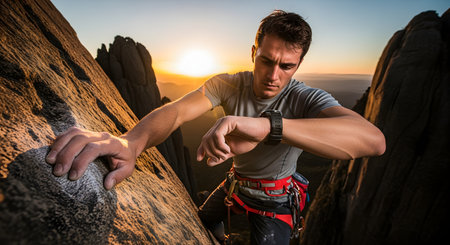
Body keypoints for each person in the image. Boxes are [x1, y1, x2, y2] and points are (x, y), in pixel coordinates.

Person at [46, 10, 385, 245]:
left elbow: (372, 141)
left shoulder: (305, 98)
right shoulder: (229, 84)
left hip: (274, 202)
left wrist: (268, 127)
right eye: (266, 60)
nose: (273, 75)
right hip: (234, 185)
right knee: (203, 220)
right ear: (254, 52)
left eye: (286, 66)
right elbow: (177, 112)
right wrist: (132, 143)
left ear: (299, 64)